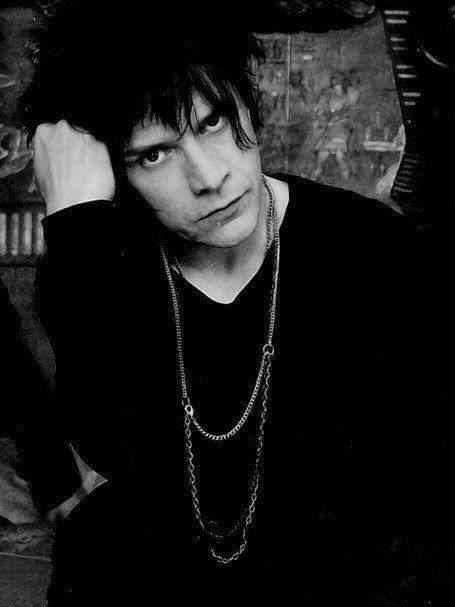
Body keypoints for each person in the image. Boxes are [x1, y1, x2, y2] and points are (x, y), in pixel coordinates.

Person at [24, 1, 429, 604]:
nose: (209, 177)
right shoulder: (102, 266)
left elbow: (417, 497)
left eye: (213, 122)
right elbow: (112, 446)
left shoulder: (371, 249)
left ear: (246, 101)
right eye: (154, 154)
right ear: (114, 173)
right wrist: (79, 223)